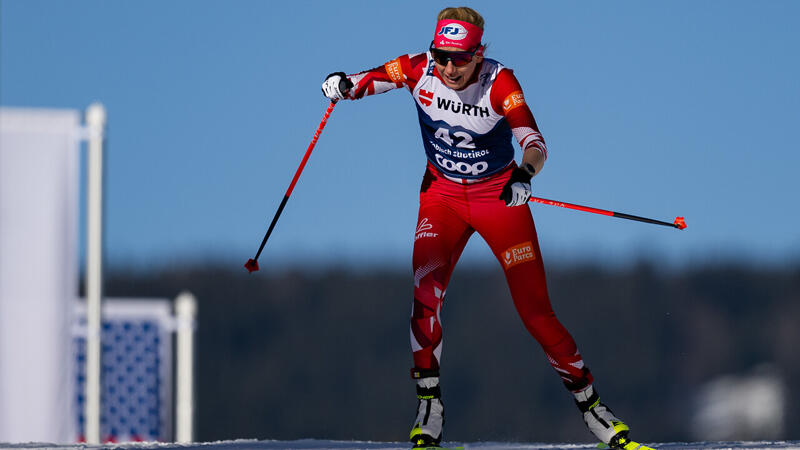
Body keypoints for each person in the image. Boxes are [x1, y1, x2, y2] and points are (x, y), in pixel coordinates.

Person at [321, 7, 650, 450]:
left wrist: (524, 177)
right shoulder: (420, 69)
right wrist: (342, 85)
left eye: (460, 58)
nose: (450, 68)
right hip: (442, 200)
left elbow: (534, 142)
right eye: (442, 57)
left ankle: (593, 409)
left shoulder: (500, 83)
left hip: (499, 201)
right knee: (425, 294)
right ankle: (429, 407)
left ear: (480, 54)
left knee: (535, 312)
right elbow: (367, 80)